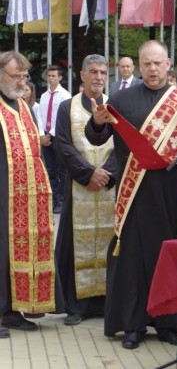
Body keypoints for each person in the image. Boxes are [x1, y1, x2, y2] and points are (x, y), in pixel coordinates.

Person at [86, 40, 177, 350]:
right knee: (132, 261)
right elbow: (96, 137)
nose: (153, 68)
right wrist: (96, 122)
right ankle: (134, 325)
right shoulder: (120, 99)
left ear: (169, 64)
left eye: (158, 63)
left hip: (174, 195)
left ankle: (170, 325)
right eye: (147, 64)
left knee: (169, 261)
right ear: (139, 66)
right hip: (135, 196)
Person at [54, 54, 117, 327]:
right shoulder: (66, 108)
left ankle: (107, 302)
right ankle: (75, 305)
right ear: (82, 75)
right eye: (93, 71)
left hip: (110, 190)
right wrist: (87, 174)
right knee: (73, 242)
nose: (98, 77)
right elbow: (63, 146)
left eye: (103, 72)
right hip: (78, 187)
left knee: (110, 243)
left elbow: (123, 146)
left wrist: (106, 175)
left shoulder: (116, 107)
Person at [0, 51, 57, 338]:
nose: (22, 82)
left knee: (13, 252)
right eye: (15, 76)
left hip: (23, 197)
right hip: (1, 193)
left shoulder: (23, 107)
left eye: (24, 76)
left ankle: (11, 310)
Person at [37, 65, 71, 214]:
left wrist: (50, 134)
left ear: (60, 78)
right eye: (49, 75)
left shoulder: (65, 95)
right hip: (45, 136)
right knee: (49, 170)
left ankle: (61, 200)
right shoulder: (44, 96)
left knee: (61, 170)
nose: (51, 78)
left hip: (58, 135)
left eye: (54, 76)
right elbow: (40, 116)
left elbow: (61, 118)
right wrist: (41, 134)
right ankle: (52, 199)